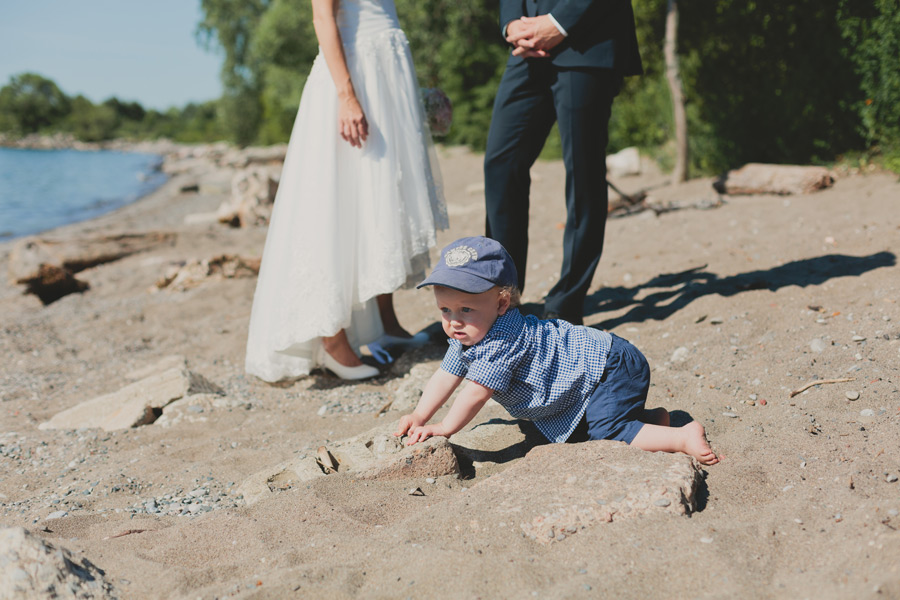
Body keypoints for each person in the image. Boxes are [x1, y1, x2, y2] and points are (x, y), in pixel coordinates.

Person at [245, 0, 447, 382]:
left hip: (385, 77)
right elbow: (323, 17)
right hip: (356, 78)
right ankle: (331, 338)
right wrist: (347, 96)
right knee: (339, 202)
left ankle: (385, 324)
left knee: (381, 198)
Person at [394, 236, 718, 465]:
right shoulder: (468, 334)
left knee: (605, 434)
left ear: (502, 303)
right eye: (445, 311)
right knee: (579, 432)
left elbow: (475, 394)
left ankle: (682, 437)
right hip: (593, 373)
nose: (454, 322)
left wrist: (445, 427)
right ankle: (650, 422)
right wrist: (420, 415)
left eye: (466, 309)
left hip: (609, 368)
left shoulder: (502, 340)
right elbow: (446, 373)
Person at [484, 0, 643, 324]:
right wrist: (513, 23)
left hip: (589, 40)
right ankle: (502, 297)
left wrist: (558, 23)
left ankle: (567, 302)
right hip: (527, 48)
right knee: (501, 163)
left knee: (583, 173)